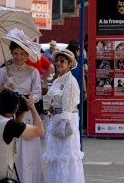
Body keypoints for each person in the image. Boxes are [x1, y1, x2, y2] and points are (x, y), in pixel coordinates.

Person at [0, 28, 44, 183]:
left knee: (26, 152)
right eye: (15, 53)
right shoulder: (3, 71)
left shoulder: (33, 72)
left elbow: (38, 93)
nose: (18, 57)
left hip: (25, 113)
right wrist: (4, 88)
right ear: (11, 53)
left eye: (22, 54)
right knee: (8, 151)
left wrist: (27, 99)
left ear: (27, 55)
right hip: (6, 115)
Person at [43, 49, 85, 183]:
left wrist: (63, 123)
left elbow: (69, 103)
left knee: (65, 155)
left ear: (69, 64)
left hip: (66, 121)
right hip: (56, 118)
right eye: (57, 61)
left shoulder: (70, 81)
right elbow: (55, 99)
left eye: (63, 61)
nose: (59, 63)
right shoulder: (58, 80)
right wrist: (51, 107)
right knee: (56, 155)